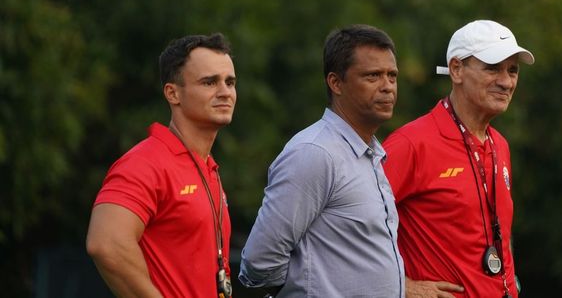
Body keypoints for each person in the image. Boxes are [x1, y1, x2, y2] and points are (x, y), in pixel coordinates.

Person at [239, 24, 405, 297]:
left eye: (392, 76)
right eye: (373, 76)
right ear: (336, 83)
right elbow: (260, 261)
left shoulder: (370, 153)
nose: (387, 87)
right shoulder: (315, 152)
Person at [382, 20, 534, 298]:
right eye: (492, 68)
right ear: (456, 69)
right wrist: (399, 286)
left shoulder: (499, 145)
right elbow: (351, 227)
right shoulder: (411, 144)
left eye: (512, 70)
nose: (506, 81)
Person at [86, 33, 237, 298]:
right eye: (209, 82)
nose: (225, 92)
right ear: (173, 93)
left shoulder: (208, 167)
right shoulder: (145, 163)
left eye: (230, 82)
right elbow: (105, 243)